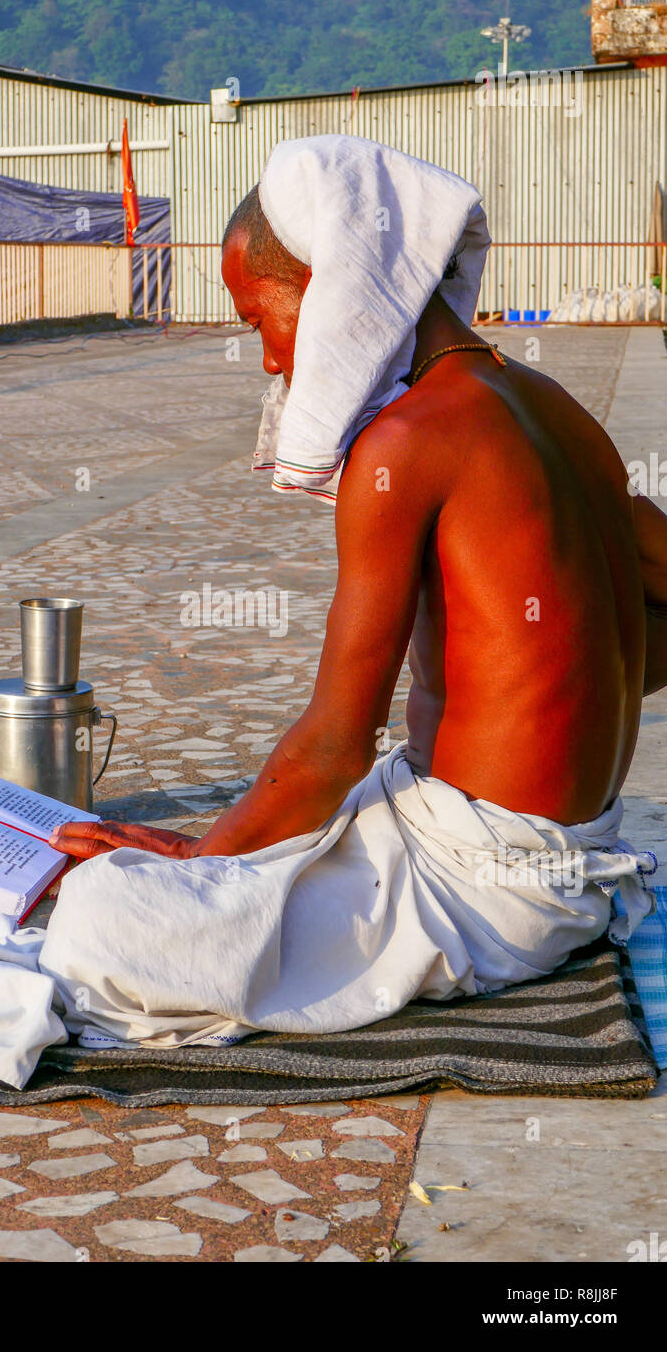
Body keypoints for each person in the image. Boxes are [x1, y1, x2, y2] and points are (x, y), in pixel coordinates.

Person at [40, 136, 659, 1048]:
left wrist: (206, 867)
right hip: (554, 854)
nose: (266, 360)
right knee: (262, 846)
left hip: (488, 889)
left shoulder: (406, 446)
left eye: (258, 318)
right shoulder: (558, 409)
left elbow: (334, 745)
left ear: (332, 284)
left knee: (100, 915)